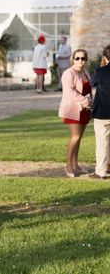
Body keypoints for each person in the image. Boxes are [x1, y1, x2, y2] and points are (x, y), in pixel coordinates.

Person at [58, 48, 92, 178]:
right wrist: (86, 102)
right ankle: (68, 166)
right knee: (75, 137)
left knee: (79, 138)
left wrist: (91, 104)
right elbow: (70, 92)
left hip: (84, 110)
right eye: (77, 58)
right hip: (72, 110)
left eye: (83, 58)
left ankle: (76, 165)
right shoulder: (68, 73)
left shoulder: (86, 72)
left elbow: (89, 91)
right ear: (72, 59)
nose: (80, 61)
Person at [90, 45, 110, 179]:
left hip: (103, 111)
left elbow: (91, 83)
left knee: (102, 142)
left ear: (105, 57)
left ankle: (101, 171)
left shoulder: (100, 71)